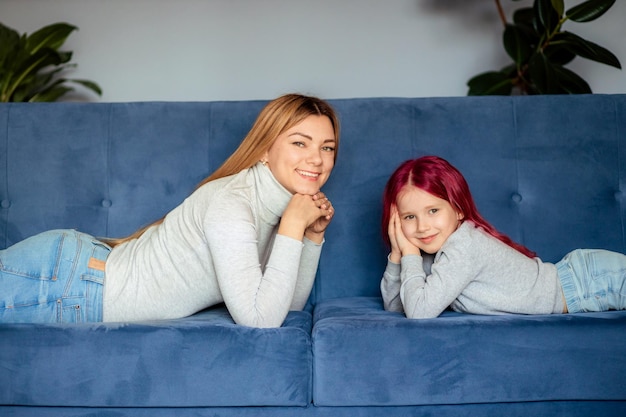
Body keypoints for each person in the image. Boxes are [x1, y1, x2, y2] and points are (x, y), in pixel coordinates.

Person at [0, 93, 339, 327]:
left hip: (81, 276)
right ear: (265, 150)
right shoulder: (232, 204)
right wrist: (293, 227)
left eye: (327, 147)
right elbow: (260, 320)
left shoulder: (277, 205)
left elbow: (285, 307)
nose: (316, 159)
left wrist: (310, 236)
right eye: (300, 142)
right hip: (69, 279)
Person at [380, 155, 626, 319]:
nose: (423, 226)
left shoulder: (463, 246)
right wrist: (397, 254)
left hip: (590, 281)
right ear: (396, 221)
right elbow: (397, 306)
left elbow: (420, 312)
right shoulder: (432, 253)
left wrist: (410, 254)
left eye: (433, 211)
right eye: (409, 217)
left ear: (458, 209)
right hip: (580, 281)